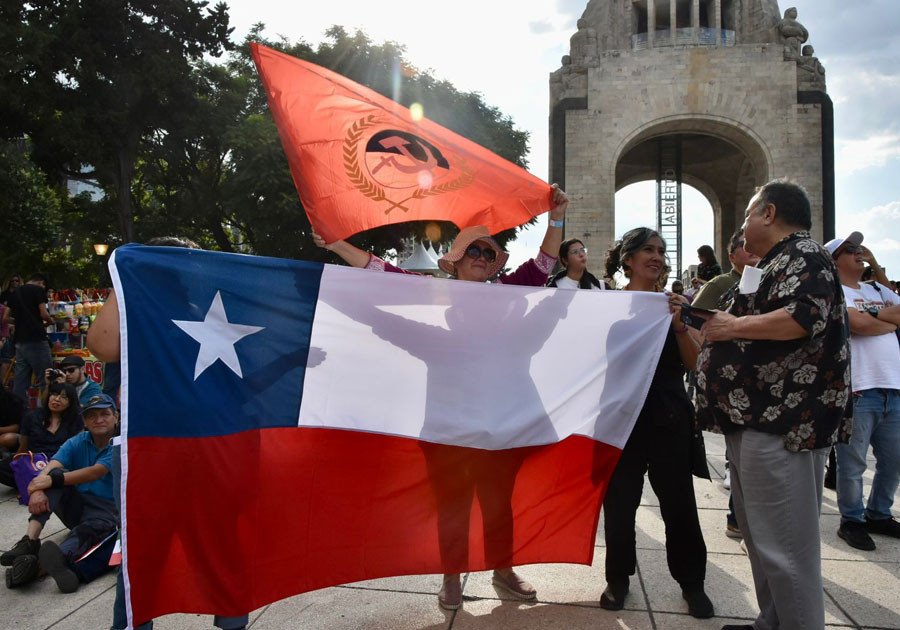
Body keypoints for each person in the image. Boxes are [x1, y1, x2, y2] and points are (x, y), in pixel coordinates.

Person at [312, 184, 569, 610]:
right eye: (476, 252)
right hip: (447, 425)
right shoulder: (432, 296)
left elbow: (544, 264)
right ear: (456, 262)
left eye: (490, 254)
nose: (484, 260)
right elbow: (382, 273)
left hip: (498, 424)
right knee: (452, 507)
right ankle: (451, 578)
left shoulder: (509, 291)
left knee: (498, 507)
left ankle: (503, 572)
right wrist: (338, 244)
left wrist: (556, 216)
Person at [696, 179, 850, 630]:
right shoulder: (773, 263)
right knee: (765, 543)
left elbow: (803, 317)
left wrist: (732, 328)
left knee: (785, 548)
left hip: (783, 425)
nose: (743, 225)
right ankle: (772, 623)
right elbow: (739, 319)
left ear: (768, 213)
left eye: (747, 214)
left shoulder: (805, 254)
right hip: (754, 421)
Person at [88, 236, 249, 630]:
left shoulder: (211, 314)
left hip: (206, 448)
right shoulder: (134, 310)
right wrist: (122, 274)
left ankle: (231, 621)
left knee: (217, 545)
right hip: (148, 451)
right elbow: (101, 345)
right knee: (144, 550)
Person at [598, 227, 713, 619]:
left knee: (679, 505)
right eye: (647, 249)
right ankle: (618, 579)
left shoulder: (676, 305)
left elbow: (695, 363)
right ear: (627, 259)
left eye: (661, 250)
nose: (656, 256)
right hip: (622, 421)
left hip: (669, 419)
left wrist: (679, 323)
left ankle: (692, 583)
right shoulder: (606, 307)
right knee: (620, 505)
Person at [825, 232, 900, 550]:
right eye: (849, 249)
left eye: (859, 248)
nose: (858, 253)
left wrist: (878, 269)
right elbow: (855, 324)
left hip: (893, 388)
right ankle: (852, 520)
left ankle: (879, 514)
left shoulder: (875, 287)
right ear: (834, 259)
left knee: (893, 459)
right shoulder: (834, 290)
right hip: (859, 389)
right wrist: (888, 321)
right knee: (853, 462)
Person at [2, 393, 116, 592]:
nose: (98, 420)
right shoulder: (79, 440)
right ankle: (29, 540)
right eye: (92, 416)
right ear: (85, 421)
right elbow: (53, 464)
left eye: (105, 414)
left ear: (116, 416)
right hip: (77, 505)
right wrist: (39, 487)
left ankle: (46, 565)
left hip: (106, 513)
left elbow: (96, 471)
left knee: (84, 532)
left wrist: (48, 480)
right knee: (54, 474)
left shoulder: (121, 444)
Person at [691, 229, 760, 539]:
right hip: (730, 379)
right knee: (742, 453)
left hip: (757, 377)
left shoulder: (767, 278)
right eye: (745, 248)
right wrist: (702, 359)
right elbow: (694, 322)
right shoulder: (719, 283)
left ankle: (744, 517)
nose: (753, 252)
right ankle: (738, 517)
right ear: (732, 255)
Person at [0, 382, 84, 491]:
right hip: (34, 462)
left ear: (70, 403)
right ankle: (32, 481)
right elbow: (23, 448)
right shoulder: (32, 417)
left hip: (60, 464)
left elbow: (78, 451)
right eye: (54, 394)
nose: (57, 399)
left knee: (59, 474)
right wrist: (18, 464)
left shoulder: (75, 420)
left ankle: (37, 482)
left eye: (63, 397)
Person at [2, 273, 54, 402]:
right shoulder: (38, 290)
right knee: (46, 377)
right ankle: (46, 412)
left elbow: (5, 318)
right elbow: (44, 314)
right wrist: (49, 321)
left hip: (20, 340)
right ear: (41, 283)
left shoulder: (14, 293)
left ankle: (18, 411)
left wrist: (20, 322)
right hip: (36, 339)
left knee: (20, 379)